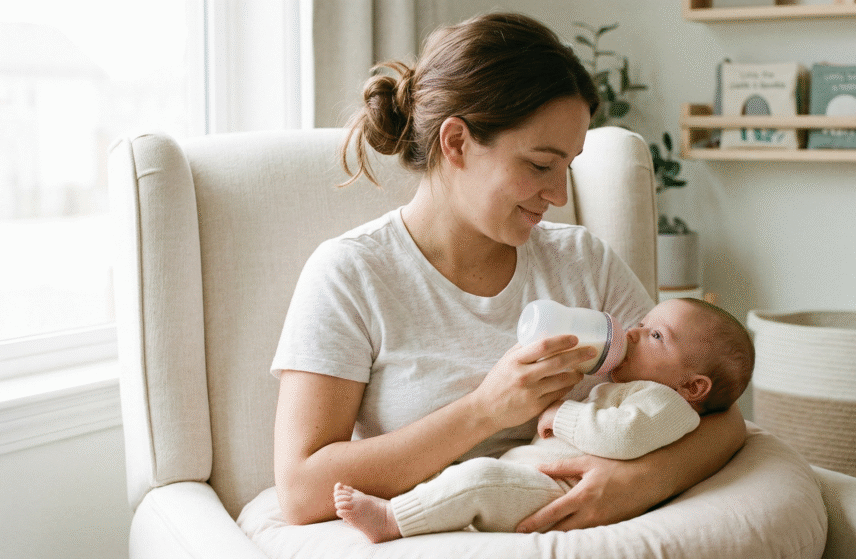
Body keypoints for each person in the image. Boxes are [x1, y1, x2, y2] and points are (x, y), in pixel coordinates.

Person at [271, 11, 746, 532]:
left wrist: (642, 481)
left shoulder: (583, 262)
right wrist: (484, 410)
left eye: (568, 166)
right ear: (456, 143)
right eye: (541, 165)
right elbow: (300, 491)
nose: (560, 195)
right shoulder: (352, 275)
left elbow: (719, 414)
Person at [332, 297, 755, 543]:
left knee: (478, 478)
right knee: (474, 478)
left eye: (655, 336)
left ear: (694, 387)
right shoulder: (646, 388)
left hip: (559, 491)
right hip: (536, 473)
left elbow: (621, 436)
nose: (631, 334)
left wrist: (560, 413)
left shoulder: (669, 406)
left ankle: (394, 520)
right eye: (643, 323)